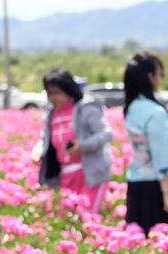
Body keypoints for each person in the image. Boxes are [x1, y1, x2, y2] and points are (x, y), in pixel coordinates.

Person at [123, 52, 168, 234]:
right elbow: (161, 154)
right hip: (157, 187)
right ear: (150, 76)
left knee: (140, 243)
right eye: (160, 74)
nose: (161, 78)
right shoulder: (155, 112)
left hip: (137, 183)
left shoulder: (132, 107)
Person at [35, 70, 113, 215]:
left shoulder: (86, 109)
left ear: (68, 90)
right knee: (69, 219)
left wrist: (82, 145)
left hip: (90, 172)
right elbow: (45, 138)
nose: (53, 97)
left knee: (87, 217)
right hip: (66, 175)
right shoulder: (51, 114)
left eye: (57, 92)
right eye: (49, 93)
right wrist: (39, 150)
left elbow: (106, 134)